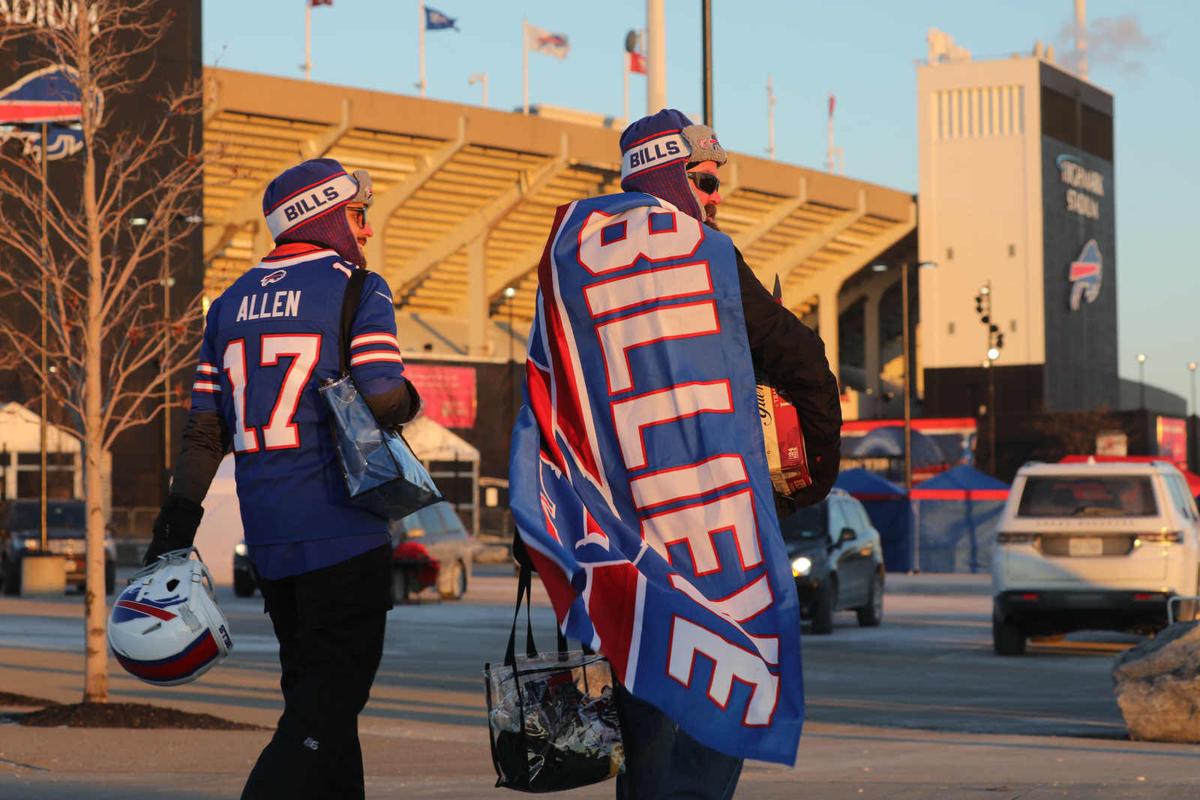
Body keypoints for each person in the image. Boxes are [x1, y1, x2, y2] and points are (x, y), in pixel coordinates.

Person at [144, 157, 420, 800]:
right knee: (321, 716)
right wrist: (410, 401)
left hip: (270, 543)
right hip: (343, 533)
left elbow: (204, 434)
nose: (367, 232)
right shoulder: (358, 286)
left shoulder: (229, 302)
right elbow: (383, 396)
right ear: (323, 214)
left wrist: (174, 529)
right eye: (358, 215)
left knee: (322, 708)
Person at [610, 110, 841, 799]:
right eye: (705, 180)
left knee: (644, 705)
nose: (716, 197)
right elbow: (801, 357)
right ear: (668, 178)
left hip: (621, 533)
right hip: (710, 523)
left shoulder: (574, 267)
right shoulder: (704, 255)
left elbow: (547, 393)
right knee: (725, 690)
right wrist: (811, 478)